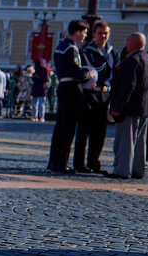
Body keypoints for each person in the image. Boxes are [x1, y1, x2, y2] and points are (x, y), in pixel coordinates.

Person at [108, 33, 148, 180]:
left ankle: (122, 170)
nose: (126, 42)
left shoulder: (132, 60)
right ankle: (137, 170)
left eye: (128, 39)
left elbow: (128, 86)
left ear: (133, 43)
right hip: (145, 106)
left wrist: (118, 106)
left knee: (125, 140)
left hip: (130, 106)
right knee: (140, 141)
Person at [46, 19, 90, 174]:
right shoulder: (72, 49)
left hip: (63, 86)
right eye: (84, 33)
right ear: (77, 32)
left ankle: (53, 161)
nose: (84, 36)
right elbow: (76, 72)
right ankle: (61, 163)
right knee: (68, 128)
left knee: (60, 127)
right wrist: (87, 74)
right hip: (72, 88)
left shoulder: (60, 47)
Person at [75, 21, 118, 174]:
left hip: (105, 96)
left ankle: (94, 162)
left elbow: (116, 77)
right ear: (94, 34)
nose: (103, 36)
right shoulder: (86, 52)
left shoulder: (113, 53)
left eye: (106, 33)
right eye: (100, 33)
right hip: (89, 95)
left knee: (100, 133)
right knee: (83, 131)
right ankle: (79, 163)